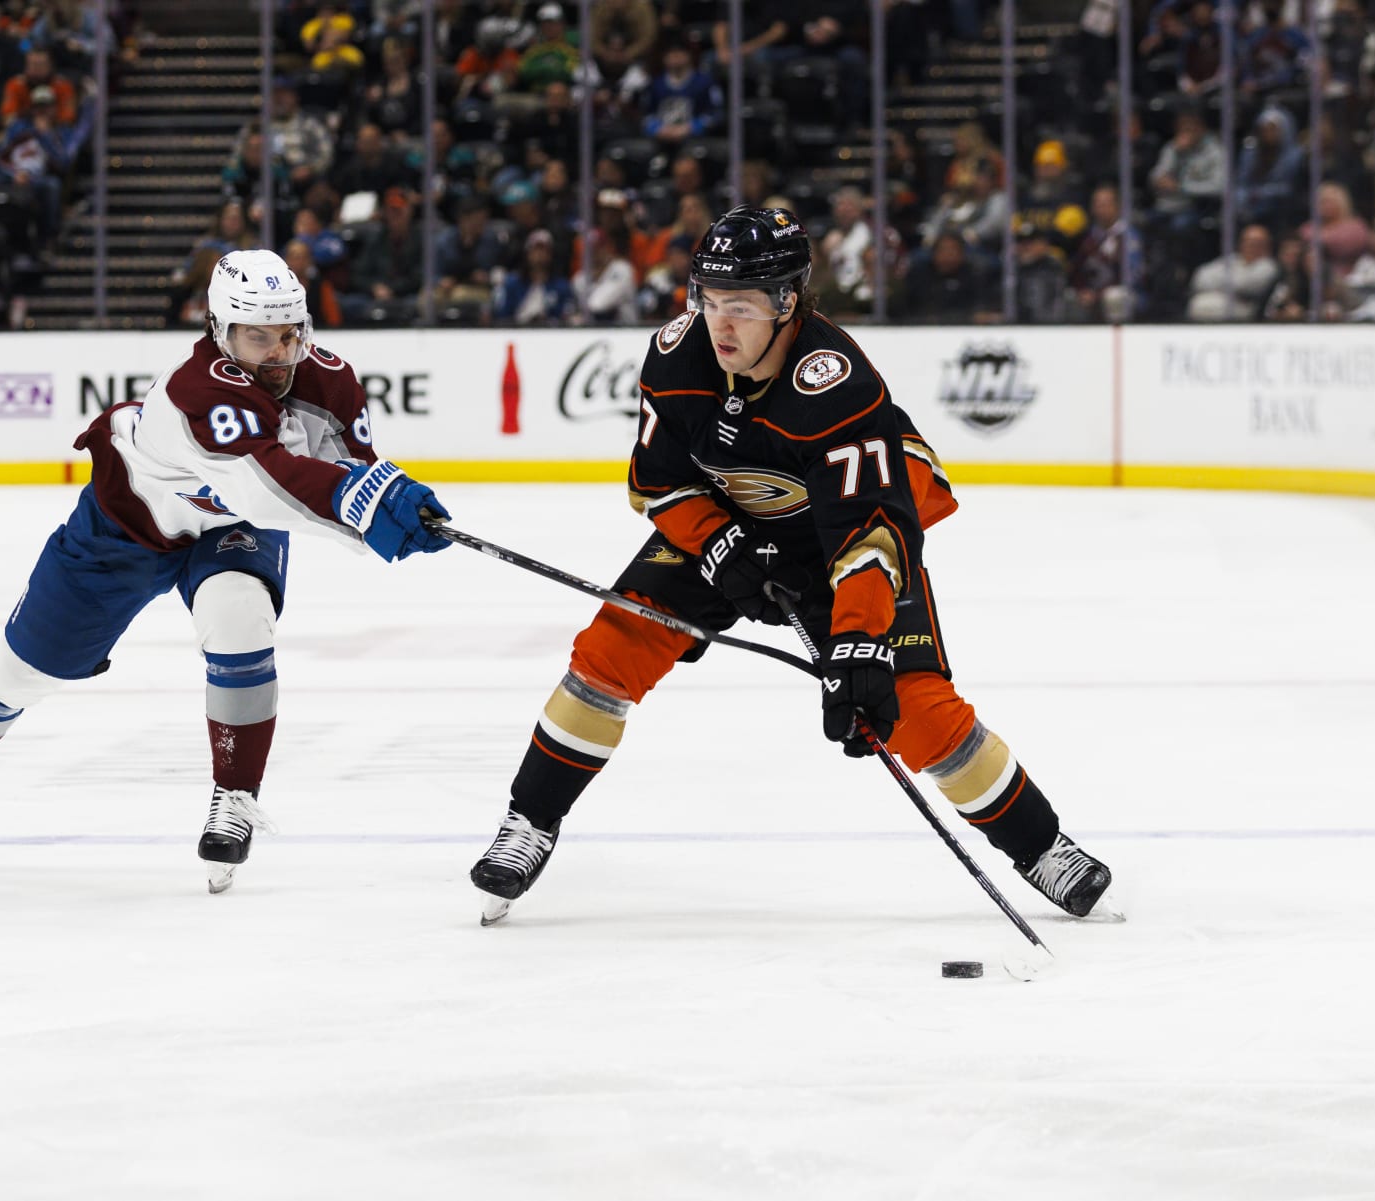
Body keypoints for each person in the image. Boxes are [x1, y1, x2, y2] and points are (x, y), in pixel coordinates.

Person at [465, 205, 1113, 924]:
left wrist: (861, 643)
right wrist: (716, 541)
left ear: (787, 302)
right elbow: (659, 482)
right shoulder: (676, 357)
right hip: (730, 520)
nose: (720, 325)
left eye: (739, 306)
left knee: (915, 712)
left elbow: (870, 532)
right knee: (611, 649)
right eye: (708, 301)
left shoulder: (836, 385)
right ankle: (531, 819)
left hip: (850, 539)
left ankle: (1043, 846)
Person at [0, 250, 452, 892]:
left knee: (239, 619)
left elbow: (349, 478)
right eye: (258, 335)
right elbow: (262, 487)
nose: (279, 352)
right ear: (219, 330)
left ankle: (236, 796)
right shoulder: (193, 390)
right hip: (127, 526)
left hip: (227, 529)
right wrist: (363, 510)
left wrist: (390, 511)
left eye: (290, 333)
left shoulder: (329, 381)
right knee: (20, 672)